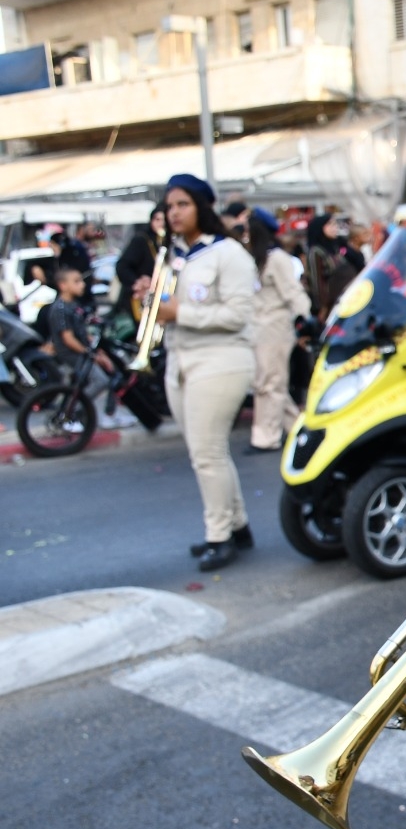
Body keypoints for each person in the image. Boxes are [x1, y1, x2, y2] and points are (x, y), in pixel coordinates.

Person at [150, 174, 258, 572]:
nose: (174, 212)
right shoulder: (176, 255)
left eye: (182, 204)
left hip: (221, 359)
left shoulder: (228, 253)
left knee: (206, 453)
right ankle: (238, 524)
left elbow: (238, 315)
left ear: (201, 207)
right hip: (181, 360)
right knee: (210, 450)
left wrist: (181, 311)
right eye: (169, 206)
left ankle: (220, 535)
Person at [245, 207, 311, 453]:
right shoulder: (258, 259)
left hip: (275, 329)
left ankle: (266, 437)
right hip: (260, 329)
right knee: (271, 383)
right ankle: (298, 429)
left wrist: (306, 320)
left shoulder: (277, 259)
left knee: (270, 383)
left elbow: (293, 292)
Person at [45, 263, 137, 429]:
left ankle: (110, 413)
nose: (82, 284)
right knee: (100, 380)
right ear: (63, 285)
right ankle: (71, 415)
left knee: (114, 373)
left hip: (84, 350)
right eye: (76, 281)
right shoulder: (60, 308)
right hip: (72, 354)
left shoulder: (74, 305)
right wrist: (90, 353)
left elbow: (83, 333)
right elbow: (68, 339)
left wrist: (98, 352)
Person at [112, 207, 165, 332]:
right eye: (157, 219)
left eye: (164, 219)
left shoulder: (169, 241)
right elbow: (122, 266)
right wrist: (137, 283)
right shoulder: (141, 240)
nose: (161, 223)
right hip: (142, 298)